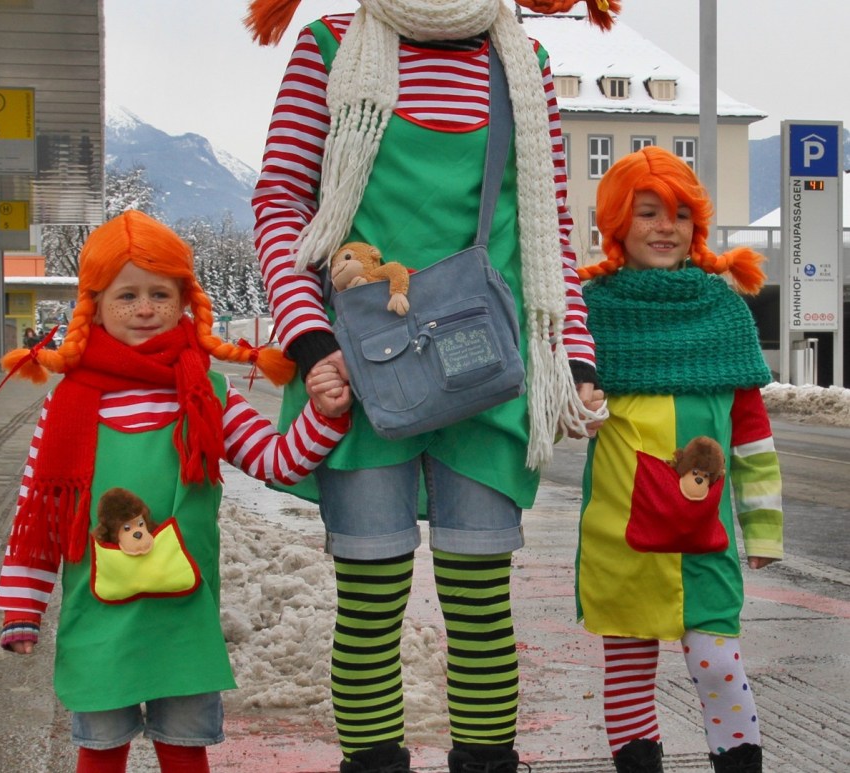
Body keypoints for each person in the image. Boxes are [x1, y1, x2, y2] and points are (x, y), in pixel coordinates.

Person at [245, 1, 612, 771]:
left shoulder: (524, 62)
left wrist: (572, 359)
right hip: (356, 369)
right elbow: (282, 203)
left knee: (481, 607)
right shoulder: (329, 46)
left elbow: (545, 226)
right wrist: (310, 339)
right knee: (371, 608)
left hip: (488, 373)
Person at [0, 210, 352, 773]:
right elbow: (37, 514)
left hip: (184, 615)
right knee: (100, 750)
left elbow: (277, 461)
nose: (143, 308)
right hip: (99, 616)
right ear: (94, 304)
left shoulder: (207, 391)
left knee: (184, 749)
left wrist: (325, 415)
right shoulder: (67, 405)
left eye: (160, 293)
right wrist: (22, 608)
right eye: (126, 294)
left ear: (184, 300)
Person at [574, 146, 784, 773]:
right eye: (647, 213)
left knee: (719, 665)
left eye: (681, 215)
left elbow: (750, 432)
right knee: (629, 675)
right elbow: (562, 414)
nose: (666, 228)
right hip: (621, 538)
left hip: (705, 538)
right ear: (616, 224)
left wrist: (765, 524)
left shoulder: (723, 311)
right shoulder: (592, 314)